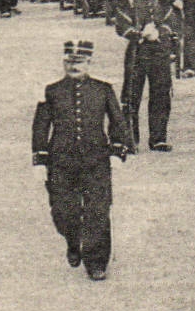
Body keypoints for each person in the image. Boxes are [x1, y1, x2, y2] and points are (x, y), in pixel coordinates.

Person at [31, 40, 132, 280]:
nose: (74, 66)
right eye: (69, 61)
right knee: (64, 212)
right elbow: (40, 126)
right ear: (63, 63)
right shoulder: (51, 91)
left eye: (79, 62)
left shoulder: (103, 89)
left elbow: (118, 121)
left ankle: (96, 263)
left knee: (98, 211)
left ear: (89, 62)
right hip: (61, 162)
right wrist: (40, 160)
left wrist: (117, 151)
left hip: (96, 161)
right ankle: (73, 240)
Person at [113, 0, 177, 151]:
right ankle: (130, 139)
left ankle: (158, 138)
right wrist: (140, 34)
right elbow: (121, 24)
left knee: (161, 94)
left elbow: (172, 20)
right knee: (132, 95)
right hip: (137, 52)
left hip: (159, 51)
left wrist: (160, 32)